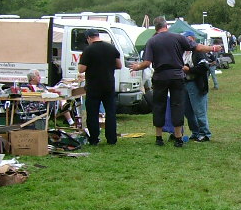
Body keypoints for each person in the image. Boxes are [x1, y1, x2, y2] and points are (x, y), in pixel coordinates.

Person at [130, 17, 220, 147]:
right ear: (166, 25)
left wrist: (137, 67)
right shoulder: (178, 37)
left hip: (160, 76)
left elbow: (147, 63)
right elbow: (198, 47)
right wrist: (213, 48)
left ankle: (159, 138)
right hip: (177, 76)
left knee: (159, 105)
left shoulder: (152, 41)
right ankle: (178, 138)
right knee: (177, 105)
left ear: (155, 27)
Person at [78, 29, 122, 145]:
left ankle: (94, 139)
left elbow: (81, 69)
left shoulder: (88, 50)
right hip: (109, 85)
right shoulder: (111, 48)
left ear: (89, 38)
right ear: (98, 36)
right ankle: (111, 139)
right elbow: (119, 65)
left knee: (92, 113)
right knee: (110, 113)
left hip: (93, 86)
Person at [182, 31, 212, 142]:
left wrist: (189, 70)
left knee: (199, 110)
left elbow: (204, 67)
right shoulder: (184, 53)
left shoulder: (199, 52)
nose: (186, 42)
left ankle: (205, 133)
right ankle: (195, 131)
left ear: (193, 39)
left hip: (196, 83)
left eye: (187, 39)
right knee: (187, 110)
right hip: (186, 83)